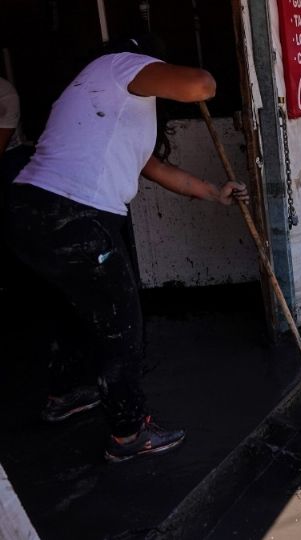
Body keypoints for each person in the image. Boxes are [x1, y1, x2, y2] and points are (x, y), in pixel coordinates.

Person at [5, 36, 249, 463]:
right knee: (121, 322)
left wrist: (215, 192)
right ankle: (128, 433)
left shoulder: (101, 102)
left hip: (30, 213)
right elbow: (201, 86)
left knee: (76, 305)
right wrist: (190, 73)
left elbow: (156, 169)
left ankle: (65, 393)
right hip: (73, 215)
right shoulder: (119, 66)